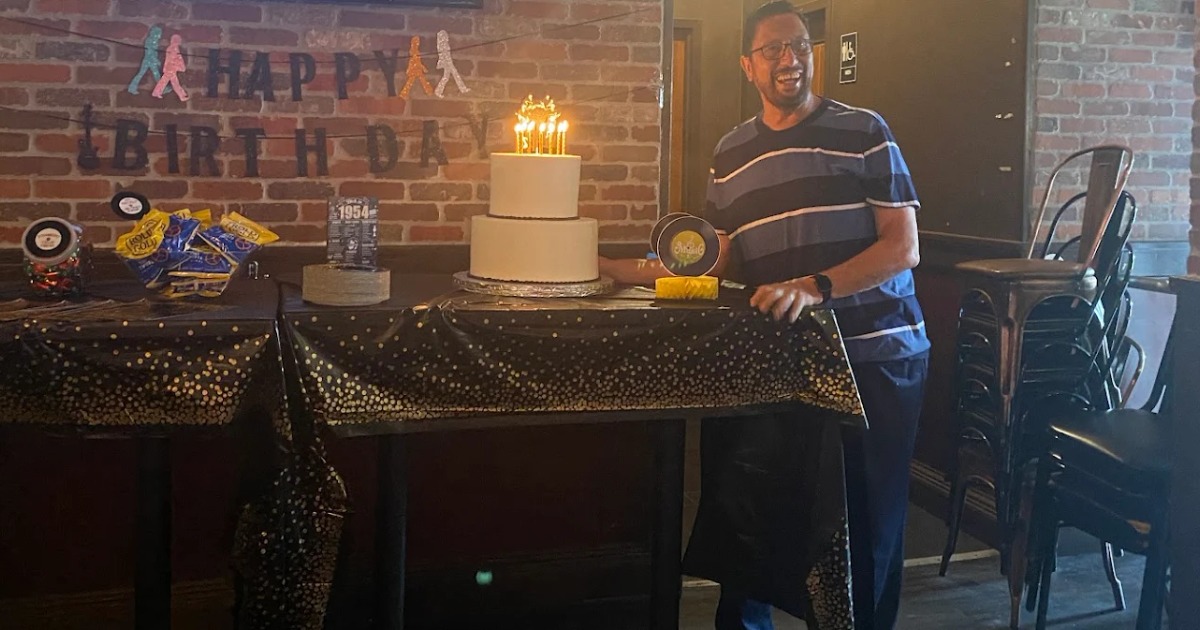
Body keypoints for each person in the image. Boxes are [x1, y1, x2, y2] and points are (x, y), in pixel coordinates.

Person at [598, 2, 929, 628]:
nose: (789, 58)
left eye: (799, 45)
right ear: (747, 66)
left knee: (866, 528)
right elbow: (712, 259)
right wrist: (611, 268)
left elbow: (902, 247)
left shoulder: (864, 129)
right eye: (772, 49)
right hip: (783, 363)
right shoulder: (732, 152)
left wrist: (815, 287)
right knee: (754, 524)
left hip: (875, 359)